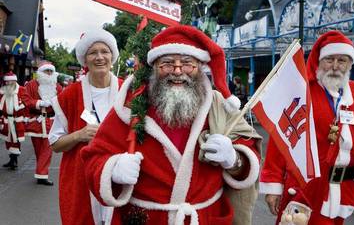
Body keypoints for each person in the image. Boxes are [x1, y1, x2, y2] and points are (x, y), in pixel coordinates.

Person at [81, 25, 262, 225]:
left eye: (187, 63)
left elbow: (248, 154)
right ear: (155, 66)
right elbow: (94, 157)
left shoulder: (218, 105)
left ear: (200, 67)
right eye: (167, 63)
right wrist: (113, 169)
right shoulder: (130, 106)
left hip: (206, 218)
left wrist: (233, 159)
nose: (177, 71)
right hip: (145, 219)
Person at [260, 31, 354, 225]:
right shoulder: (303, 92)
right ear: (319, 61)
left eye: (342, 60)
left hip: (344, 190)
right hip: (306, 190)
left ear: (350, 64)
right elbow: (281, 139)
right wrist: (274, 185)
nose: (335, 67)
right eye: (329, 59)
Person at [49, 29, 122, 225]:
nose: (99, 57)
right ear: (85, 59)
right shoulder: (70, 96)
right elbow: (55, 144)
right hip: (80, 181)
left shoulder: (127, 91)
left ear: (112, 55)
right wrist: (79, 135)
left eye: (104, 51)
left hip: (120, 177)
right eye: (93, 52)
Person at [24, 61, 62, 185]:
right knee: (39, 150)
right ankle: (41, 171)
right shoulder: (31, 85)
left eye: (51, 71)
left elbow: (63, 101)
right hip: (36, 121)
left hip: (51, 121)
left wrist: (55, 104)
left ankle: (42, 175)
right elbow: (25, 100)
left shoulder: (57, 86)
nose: (49, 73)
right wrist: (39, 103)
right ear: (41, 73)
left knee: (47, 148)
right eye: (47, 71)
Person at [0, 72, 27, 170]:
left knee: (16, 140)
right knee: (8, 140)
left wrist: (26, 117)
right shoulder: (2, 92)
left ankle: (14, 161)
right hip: (6, 119)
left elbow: (26, 103)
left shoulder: (22, 90)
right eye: (6, 82)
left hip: (17, 120)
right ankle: (11, 159)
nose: (8, 84)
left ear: (15, 81)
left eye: (10, 81)